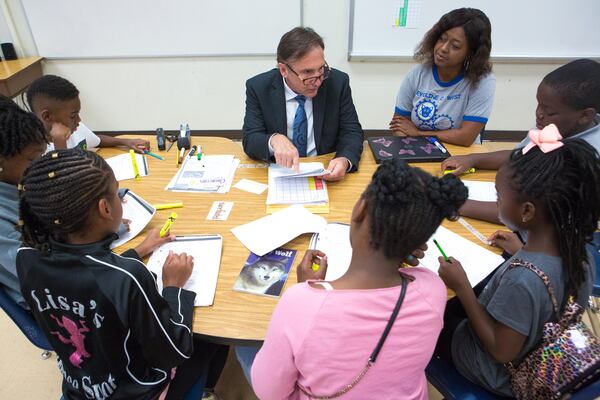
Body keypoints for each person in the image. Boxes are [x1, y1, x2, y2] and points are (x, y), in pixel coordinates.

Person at [248, 159, 468, 399]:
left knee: (246, 351)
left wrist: (305, 288)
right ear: (419, 242)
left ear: (360, 209)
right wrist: (399, 247)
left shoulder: (300, 302)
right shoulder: (432, 288)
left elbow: (269, 393)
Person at [16, 149, 218, 399]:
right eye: (116, 194)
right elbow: (174, 350)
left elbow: (85, 276)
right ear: (105, 209)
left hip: (79, 385)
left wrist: (140, 249)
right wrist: (173, 288)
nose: (119, 201)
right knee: (211, 342)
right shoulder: (129, 276)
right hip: (134, 391)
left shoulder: (25, 255)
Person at [436, 138, 598, 397]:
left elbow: (502, 351)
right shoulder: (580, 252)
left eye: (499, 196)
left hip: (503, 371)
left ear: (526, 211)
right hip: (542, 348)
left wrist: (463, 287)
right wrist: (521, 251)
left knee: (436, 314)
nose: (496, 201)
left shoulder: (523, 278)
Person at [441, 59, 600, 249]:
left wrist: (455, 203)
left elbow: (522, 211)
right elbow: (521, 154)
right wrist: (474, 159)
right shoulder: (560, 125)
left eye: (548, 111)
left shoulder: (581, 158)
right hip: (524, 232)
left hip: (548, 250)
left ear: (585, 115)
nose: (539, 115)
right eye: (539, 105)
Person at [242, 27, 364, 181]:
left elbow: (351, 131)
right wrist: (273, 139)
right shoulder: (259, 87)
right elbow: (250, 138)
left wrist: (345, 160)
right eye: (307, 73)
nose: (318, 81)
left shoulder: (337, 83)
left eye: (321, 69)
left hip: (324, 169)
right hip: (281, 172)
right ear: (284, 70)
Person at [390, 8, 495, 147]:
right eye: (442, 39)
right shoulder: (417, 74)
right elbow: (399, 126)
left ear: (471, 53)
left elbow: (466, 137)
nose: (443, 48)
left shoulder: (483, 81)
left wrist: (418, 134)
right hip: (416, 148)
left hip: (461, 156)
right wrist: (409, 150)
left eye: (455, 46)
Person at [0, 96, 49, 308]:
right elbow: (43, 277)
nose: (41, 166)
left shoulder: (19, 183)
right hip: (53, 307)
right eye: (33, 159)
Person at [26, 74, 149, 153]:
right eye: (73, 115)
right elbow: (61, 180)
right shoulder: (36, 151)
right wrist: (60, 142)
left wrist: (126, 142)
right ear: (47, 117)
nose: (79, 120)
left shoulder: (74, 128)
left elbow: (97, 140)